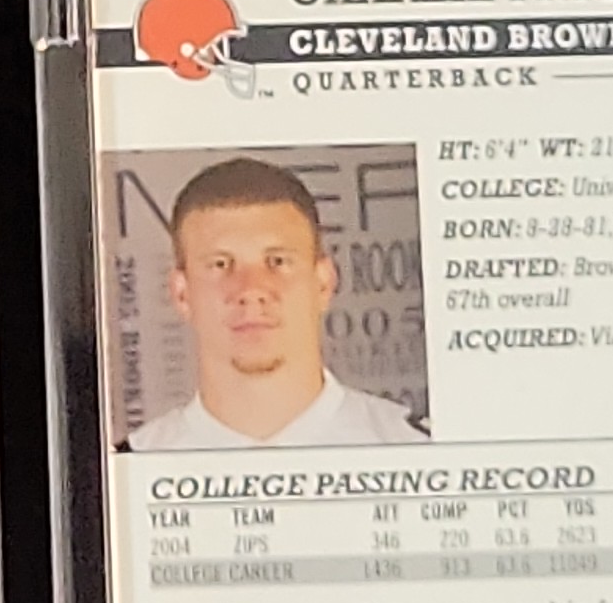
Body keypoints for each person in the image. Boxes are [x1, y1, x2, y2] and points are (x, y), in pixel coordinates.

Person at [128, 155, 424, 447]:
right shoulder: (129, 463)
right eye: (221, 264)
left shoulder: (416, 448)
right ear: (182, 294)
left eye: (277, 261)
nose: (251, 290)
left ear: (323, 283)